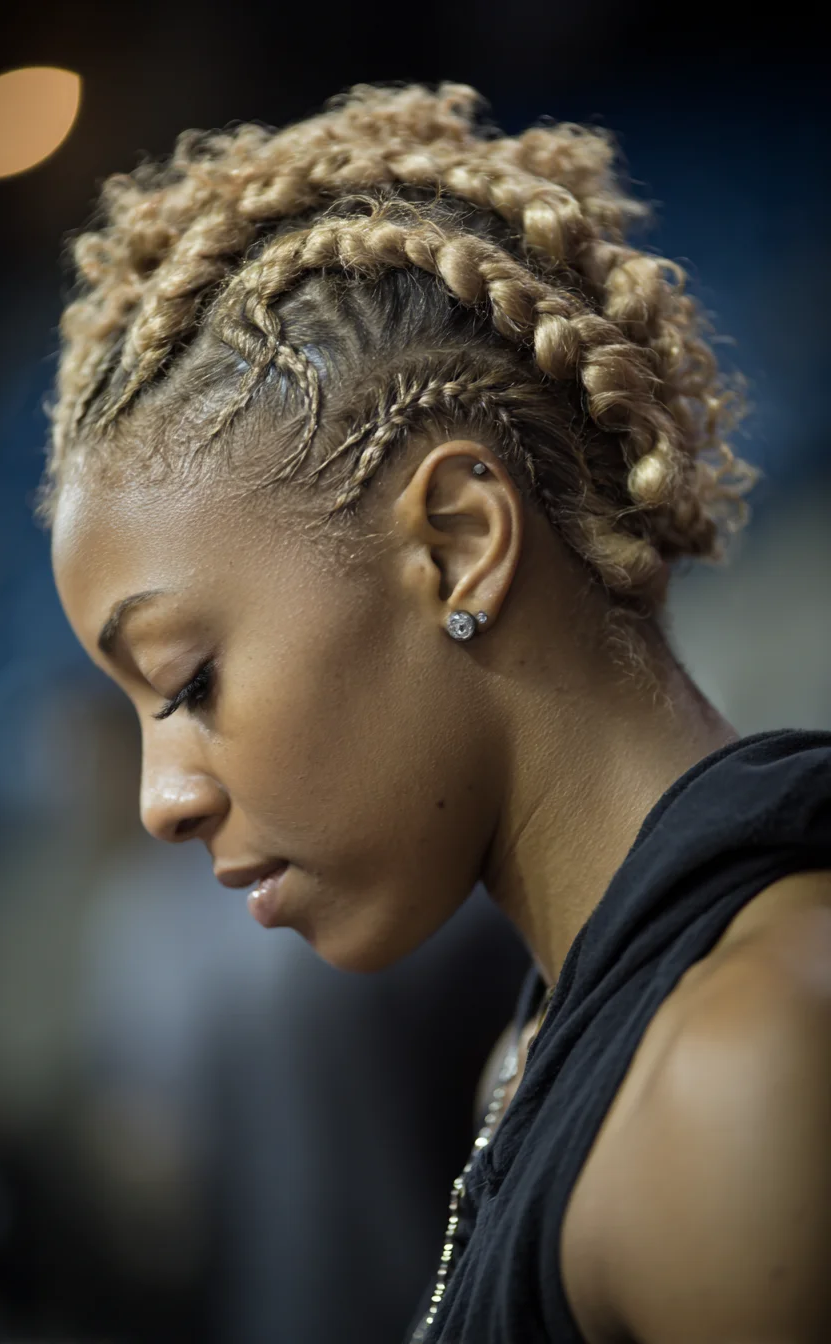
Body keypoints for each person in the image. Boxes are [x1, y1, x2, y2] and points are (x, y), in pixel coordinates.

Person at [43, 83, 831, 1344]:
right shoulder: (549, 1049)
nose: (161, 799)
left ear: (459, 544)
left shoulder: (743, 1066)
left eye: (188, 682)